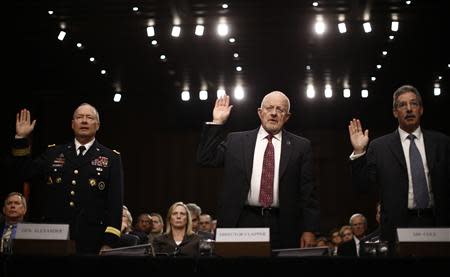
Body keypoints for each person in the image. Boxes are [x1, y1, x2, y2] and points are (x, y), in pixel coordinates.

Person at [197, 91, 320, 249]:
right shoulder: (236, 141)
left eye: (280, 110)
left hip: (283, 223)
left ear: (287, 117)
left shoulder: (301, 147)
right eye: (269, 108)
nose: (274, 113)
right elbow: (205, 159)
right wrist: (217, 122)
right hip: (241, 221)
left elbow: (308, 192)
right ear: (260, 113)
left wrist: (310, 229)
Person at [12, 104, 124, 254]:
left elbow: (115, 204)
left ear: (97, 125)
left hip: (92, 240)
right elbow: (25, 172)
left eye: (89, 118)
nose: (84, 121)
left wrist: (109, 242)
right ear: (72, 124)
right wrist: (21, 138)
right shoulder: (54, 153)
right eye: (79, 117)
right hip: (53, 238)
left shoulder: (111, 158)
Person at [348, 85, 450, 244]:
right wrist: (359, 152)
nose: (409, 109)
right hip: (397, 227)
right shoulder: (379, 147)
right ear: (395, 112)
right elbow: (363, 188)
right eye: (402, 105)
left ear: (421, 109)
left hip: (437, 223)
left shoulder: (442, 143)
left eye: (414, 104)